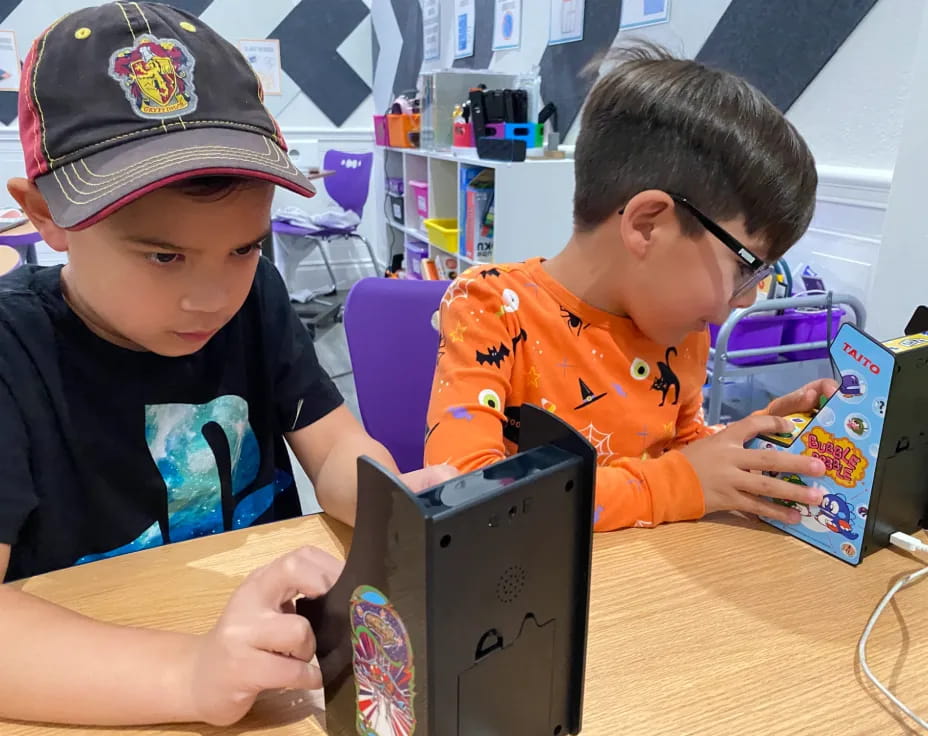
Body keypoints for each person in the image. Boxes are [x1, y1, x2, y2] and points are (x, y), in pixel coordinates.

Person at [0, 2, 450, 726]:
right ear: (46, 215)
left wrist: (395, 508)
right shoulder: (13, 353)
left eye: (244, 247)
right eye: (163, 255)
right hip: (101, 685)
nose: (212, 297)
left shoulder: (256, 299)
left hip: (286, 672)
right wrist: (189, 674)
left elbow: (333, 445)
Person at [426, 44, 834, 531]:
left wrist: (761, 439)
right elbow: (464, 492)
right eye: (747, 267)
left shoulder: (680, 331)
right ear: (646, 225)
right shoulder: (492, 307)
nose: (747, 298)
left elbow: (682, 449)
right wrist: (676, 485)